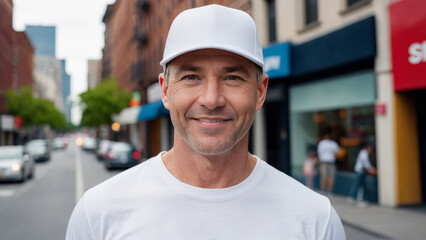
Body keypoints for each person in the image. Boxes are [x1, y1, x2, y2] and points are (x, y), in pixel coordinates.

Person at [66, 4, 346, 239]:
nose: (212, 100)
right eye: (191, 77)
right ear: (165, 91)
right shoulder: (98, 214)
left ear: (260, 92)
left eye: (232, 77)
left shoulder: (316, 220)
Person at [348, 143, 377, 207]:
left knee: (362, 185)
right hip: (360, 171)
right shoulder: (363, 153)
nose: (371, 151)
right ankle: (353, 197)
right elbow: (366, 164)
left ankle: (360, 199)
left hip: (362, 172)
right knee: (358, 184)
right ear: (368, 148)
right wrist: (372, 170)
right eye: (371, 149)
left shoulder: (364, 153)